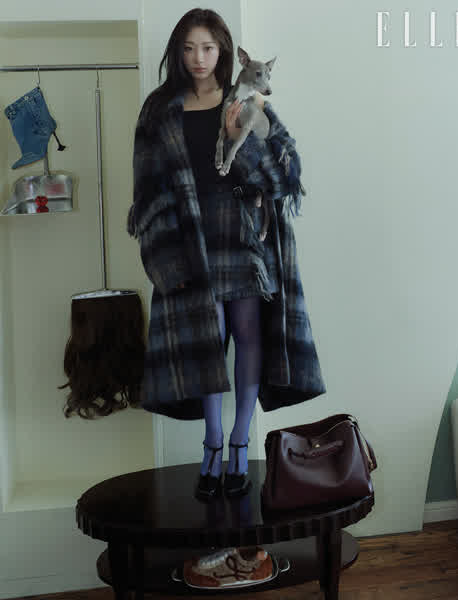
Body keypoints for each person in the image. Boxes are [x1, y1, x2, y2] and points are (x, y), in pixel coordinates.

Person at [127, 8, 326, 501]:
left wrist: (245, 139)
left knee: (248, 332)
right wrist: (164, 257)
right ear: (177, 52)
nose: (198, 58)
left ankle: (240, 440)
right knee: (207, 339)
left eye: (208, 48)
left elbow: (287, 174)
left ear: (224, 51)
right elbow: (147, 188)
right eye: (188, 48)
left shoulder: (248, 101)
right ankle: (212, 442)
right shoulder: (159, 109)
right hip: (189, 236)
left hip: (244, 233)